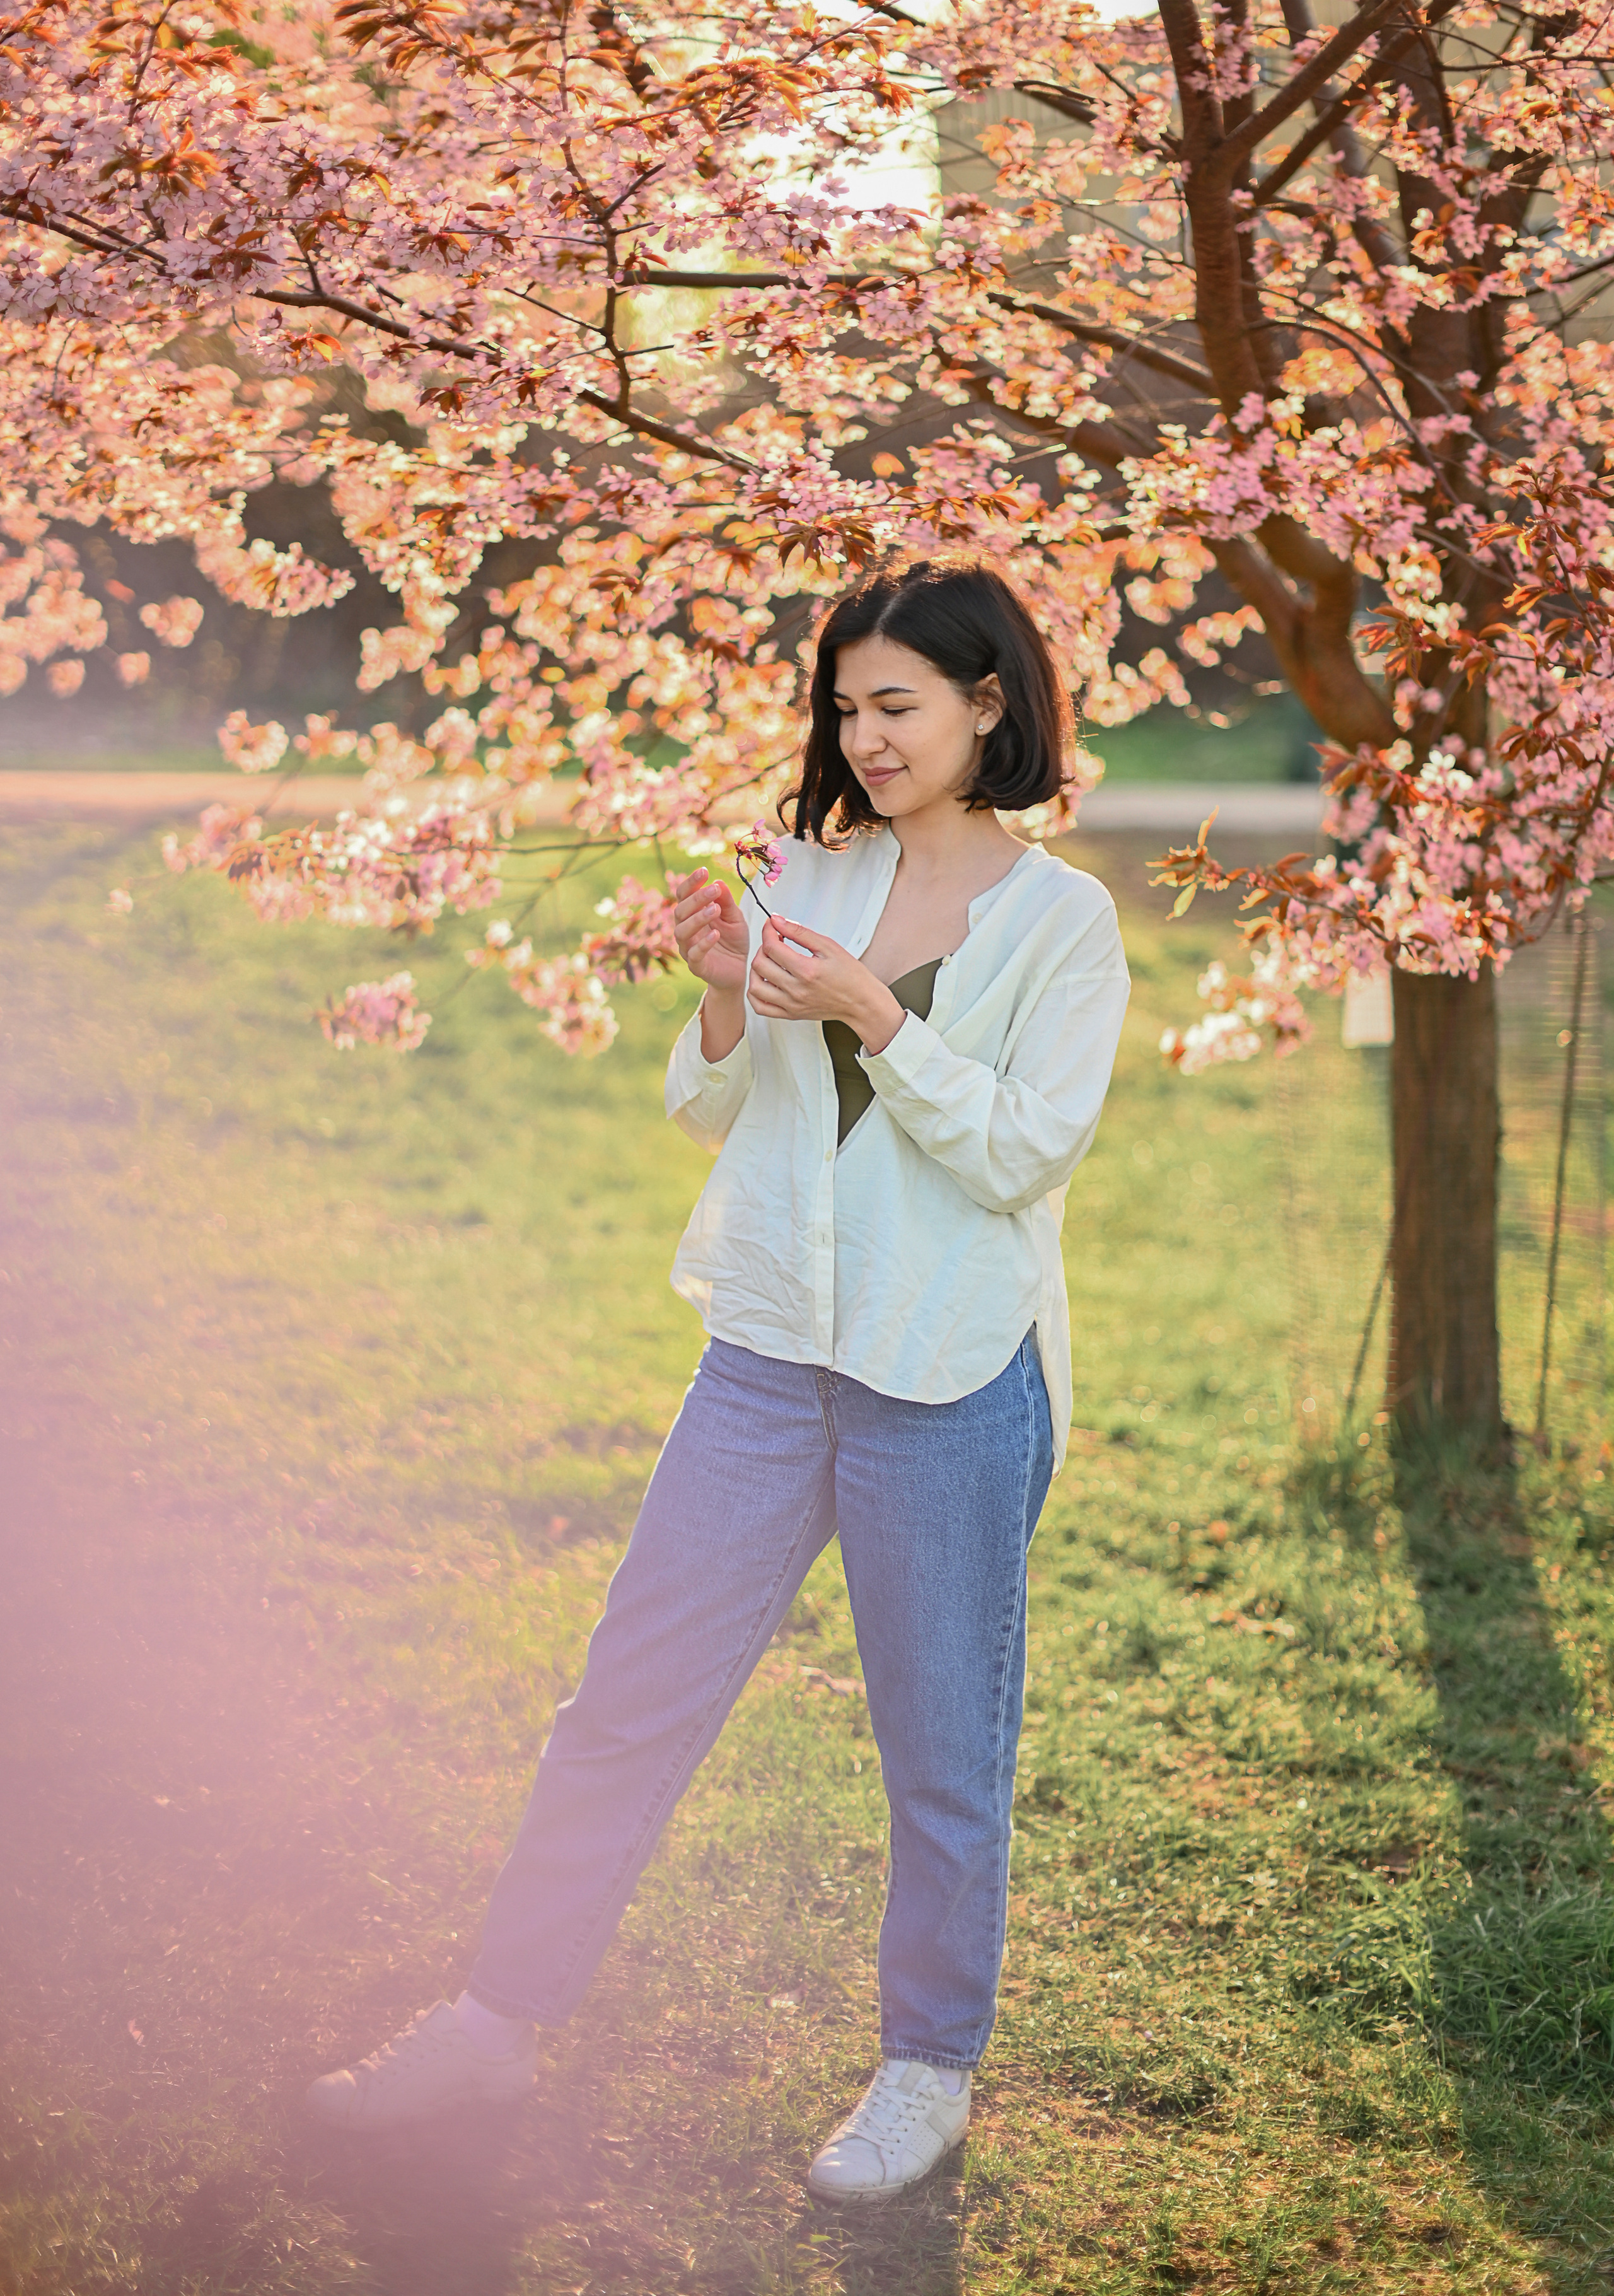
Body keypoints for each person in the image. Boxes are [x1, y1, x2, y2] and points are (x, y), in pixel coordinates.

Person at [306, 557, 1131, 2202]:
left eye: (897, 704)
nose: (866, 735)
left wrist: (876, 1020)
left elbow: (1029, 1152)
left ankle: (925, 2066)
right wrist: (712, 984)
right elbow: (719, 1107)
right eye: (845, 707)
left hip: (948, 1374)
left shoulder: (1065, 923)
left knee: (940, 1751)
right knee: (623, 1704)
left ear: (990, 702)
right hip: (766, 1356)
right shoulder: (800, 874)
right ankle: (495, 2017)